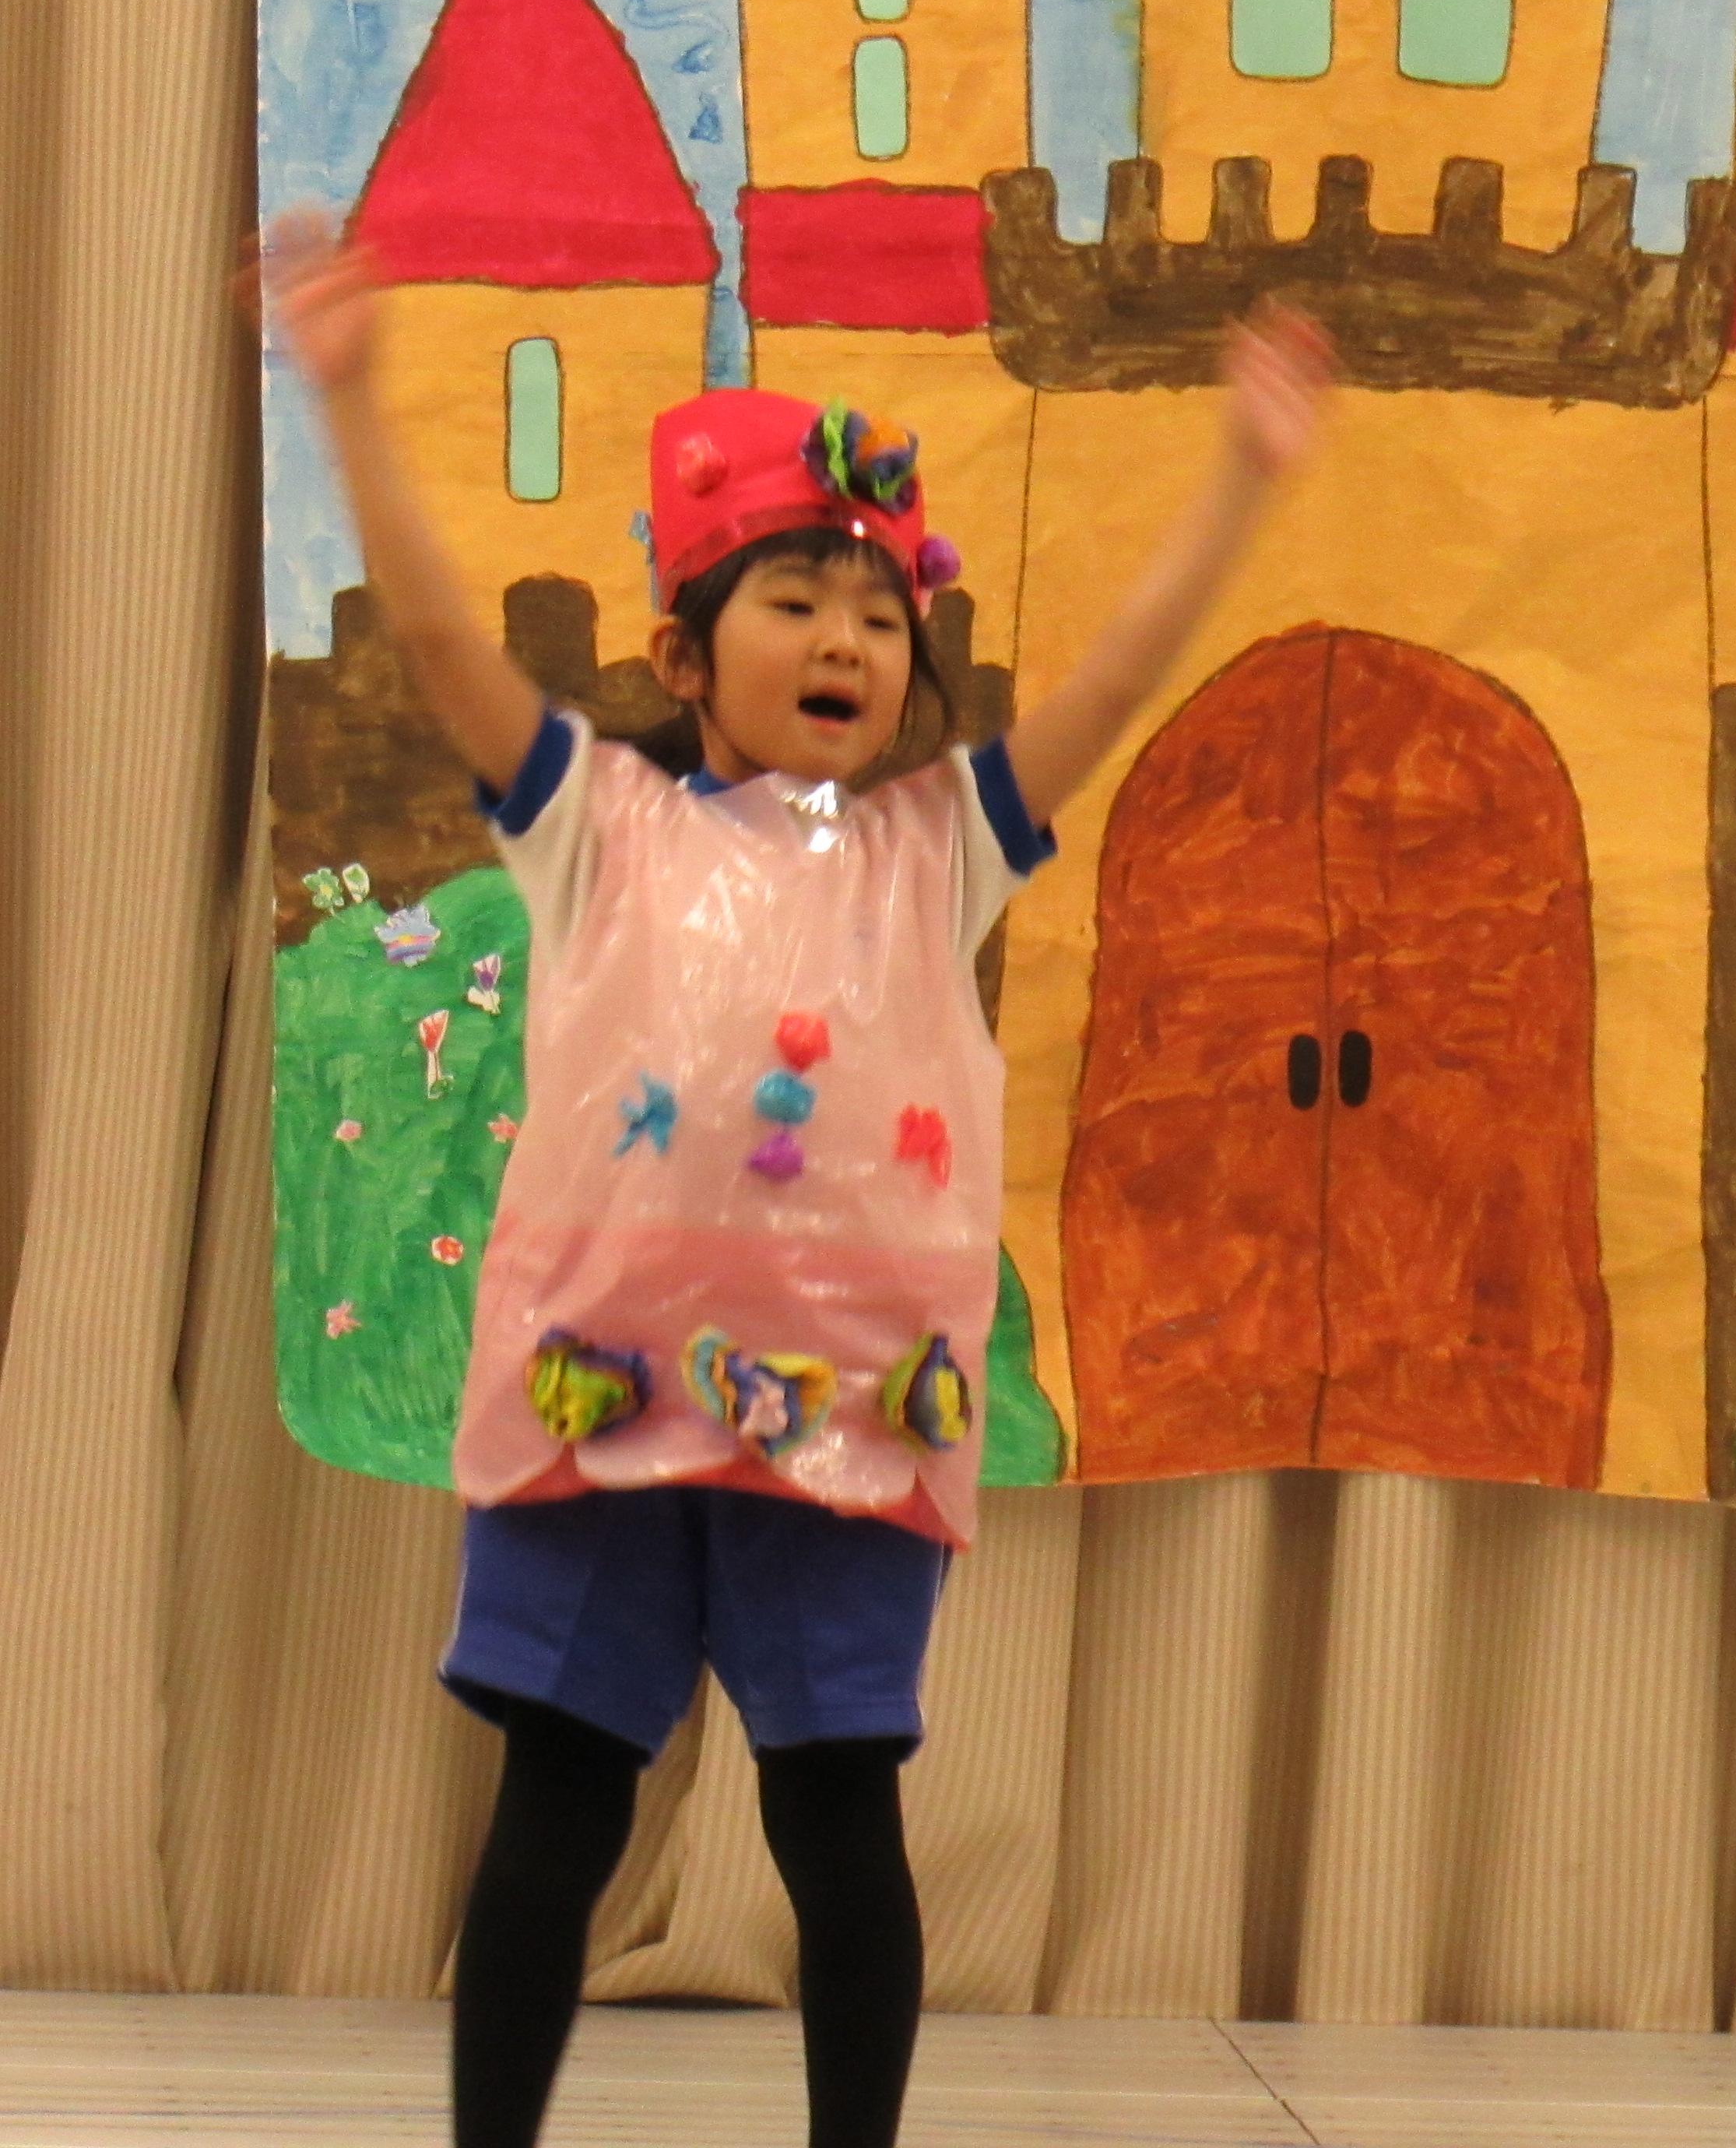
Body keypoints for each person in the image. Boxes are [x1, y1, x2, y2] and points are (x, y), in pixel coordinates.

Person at [255, 212, 1331, 2148]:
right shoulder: (597, 824)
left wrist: (1243, 478)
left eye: (879, 613)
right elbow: (433, 640)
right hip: (600, 1411)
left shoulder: (943, 848)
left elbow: (1118, 677)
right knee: (558, 1809)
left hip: (848, 1418)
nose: (846, 638)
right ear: (684, 650)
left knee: (839, 1824)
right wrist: (349, 403)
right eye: (796, 599)